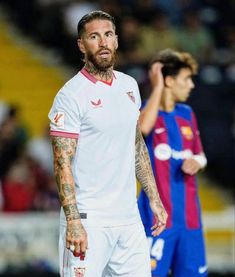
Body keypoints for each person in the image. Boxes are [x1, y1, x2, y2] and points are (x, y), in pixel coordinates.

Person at [48, 10, 167, 277]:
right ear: (82, 44)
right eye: (94, 36)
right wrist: (74, 221)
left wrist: (154, 199)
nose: (103, 42)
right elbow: (61, 162)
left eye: (108, 35)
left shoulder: (129, 86)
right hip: (89, 221)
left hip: (128, 219)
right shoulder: (71, 95)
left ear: (116, 40)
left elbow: (136, 145)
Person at [138, 49, 208, 277]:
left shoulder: (187, 113)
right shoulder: (145, 112)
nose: (191, 85)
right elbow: (141, 131)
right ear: (168, 80)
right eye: (186, 79)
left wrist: (196, 162)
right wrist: (157, 87)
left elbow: (200, 154)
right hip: (155, 220)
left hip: (190, 221)